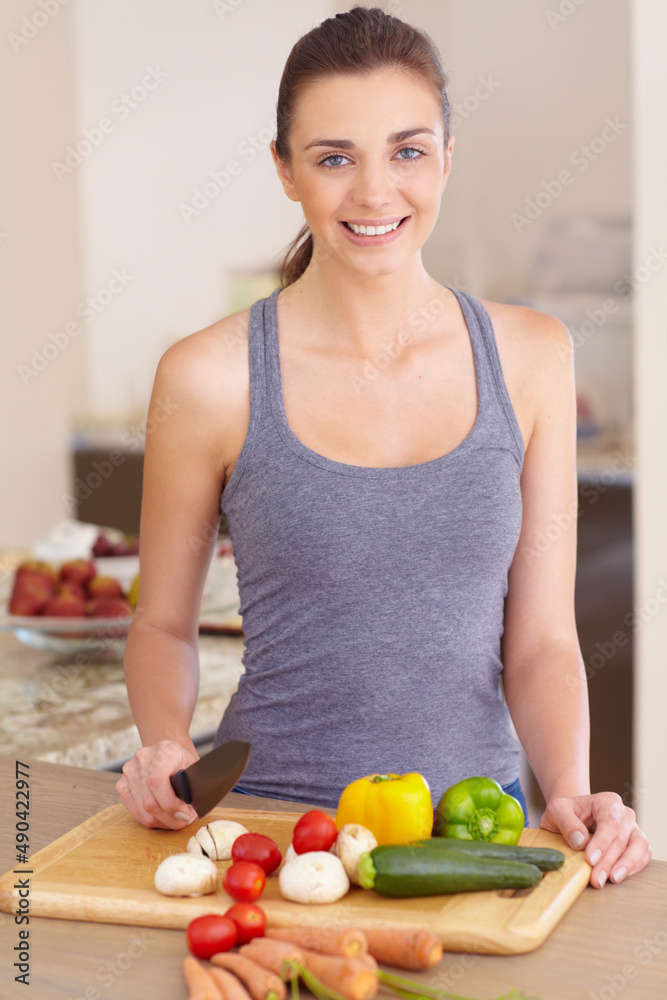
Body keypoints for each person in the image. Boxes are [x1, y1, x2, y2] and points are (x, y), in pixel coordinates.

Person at [116, 6, 651, 889]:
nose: (374, 193)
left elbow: (543, 642)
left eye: (406, 151)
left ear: (446, 156)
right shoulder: (208, 378)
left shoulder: (530, 356)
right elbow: (162, 624)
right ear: (285, 171)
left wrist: (570, 789)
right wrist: (165, 744)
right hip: (275, 837)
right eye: (334, 158)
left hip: (475, 837)